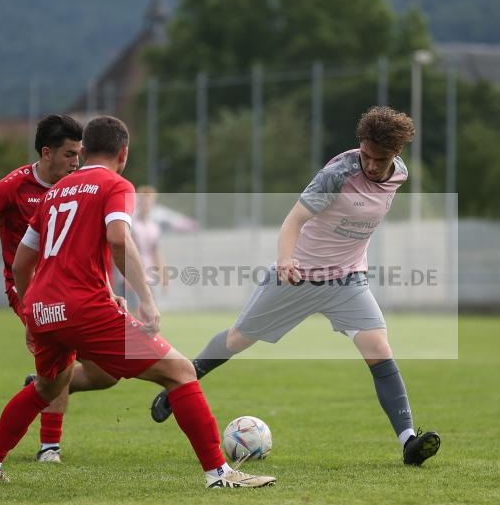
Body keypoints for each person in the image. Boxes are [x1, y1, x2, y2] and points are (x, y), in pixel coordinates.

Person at [0, 116, 274, 488]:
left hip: (44, 309)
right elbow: (119, 240)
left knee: (47, 387)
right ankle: (220, 474)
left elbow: (21, 261)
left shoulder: (54, 193)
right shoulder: (116, 184)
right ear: (123, 153)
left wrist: (32, 309)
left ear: (86, 150)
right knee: (180, 372)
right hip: (84, 307)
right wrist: (147, 300)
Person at [148, 106, 442, 467]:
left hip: (347, 278)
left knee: (379, 348)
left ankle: (409, 442)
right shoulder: (336, 175)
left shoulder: (399, 175)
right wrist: (287, 260)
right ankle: (178, 385)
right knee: (239, 338)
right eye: (365, 155)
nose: (370, 164)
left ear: (395, 155)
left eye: (379, 159)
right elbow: (294, 220)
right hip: (297, 275)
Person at [0, 114, 100, 463]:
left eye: (79, 154)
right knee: (64, 358)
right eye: (69, 154)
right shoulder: (15, 185)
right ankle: (49, 446)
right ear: (47, 153)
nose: (76, 162)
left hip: (75, 287)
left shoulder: (79, 185)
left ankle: (40, 386)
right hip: (29, 291)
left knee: (106, 373)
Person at [122, 185, 168, 307]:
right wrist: (127, 275)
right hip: (133, 275)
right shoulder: (131, 224)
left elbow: (156, 252)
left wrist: (163, 276)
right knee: (135, 314)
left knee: (151, 312)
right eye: (143, 202)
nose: (146, 206)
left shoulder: (154, 227)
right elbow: (125, 251)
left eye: (149, 203)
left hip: (149, 275)